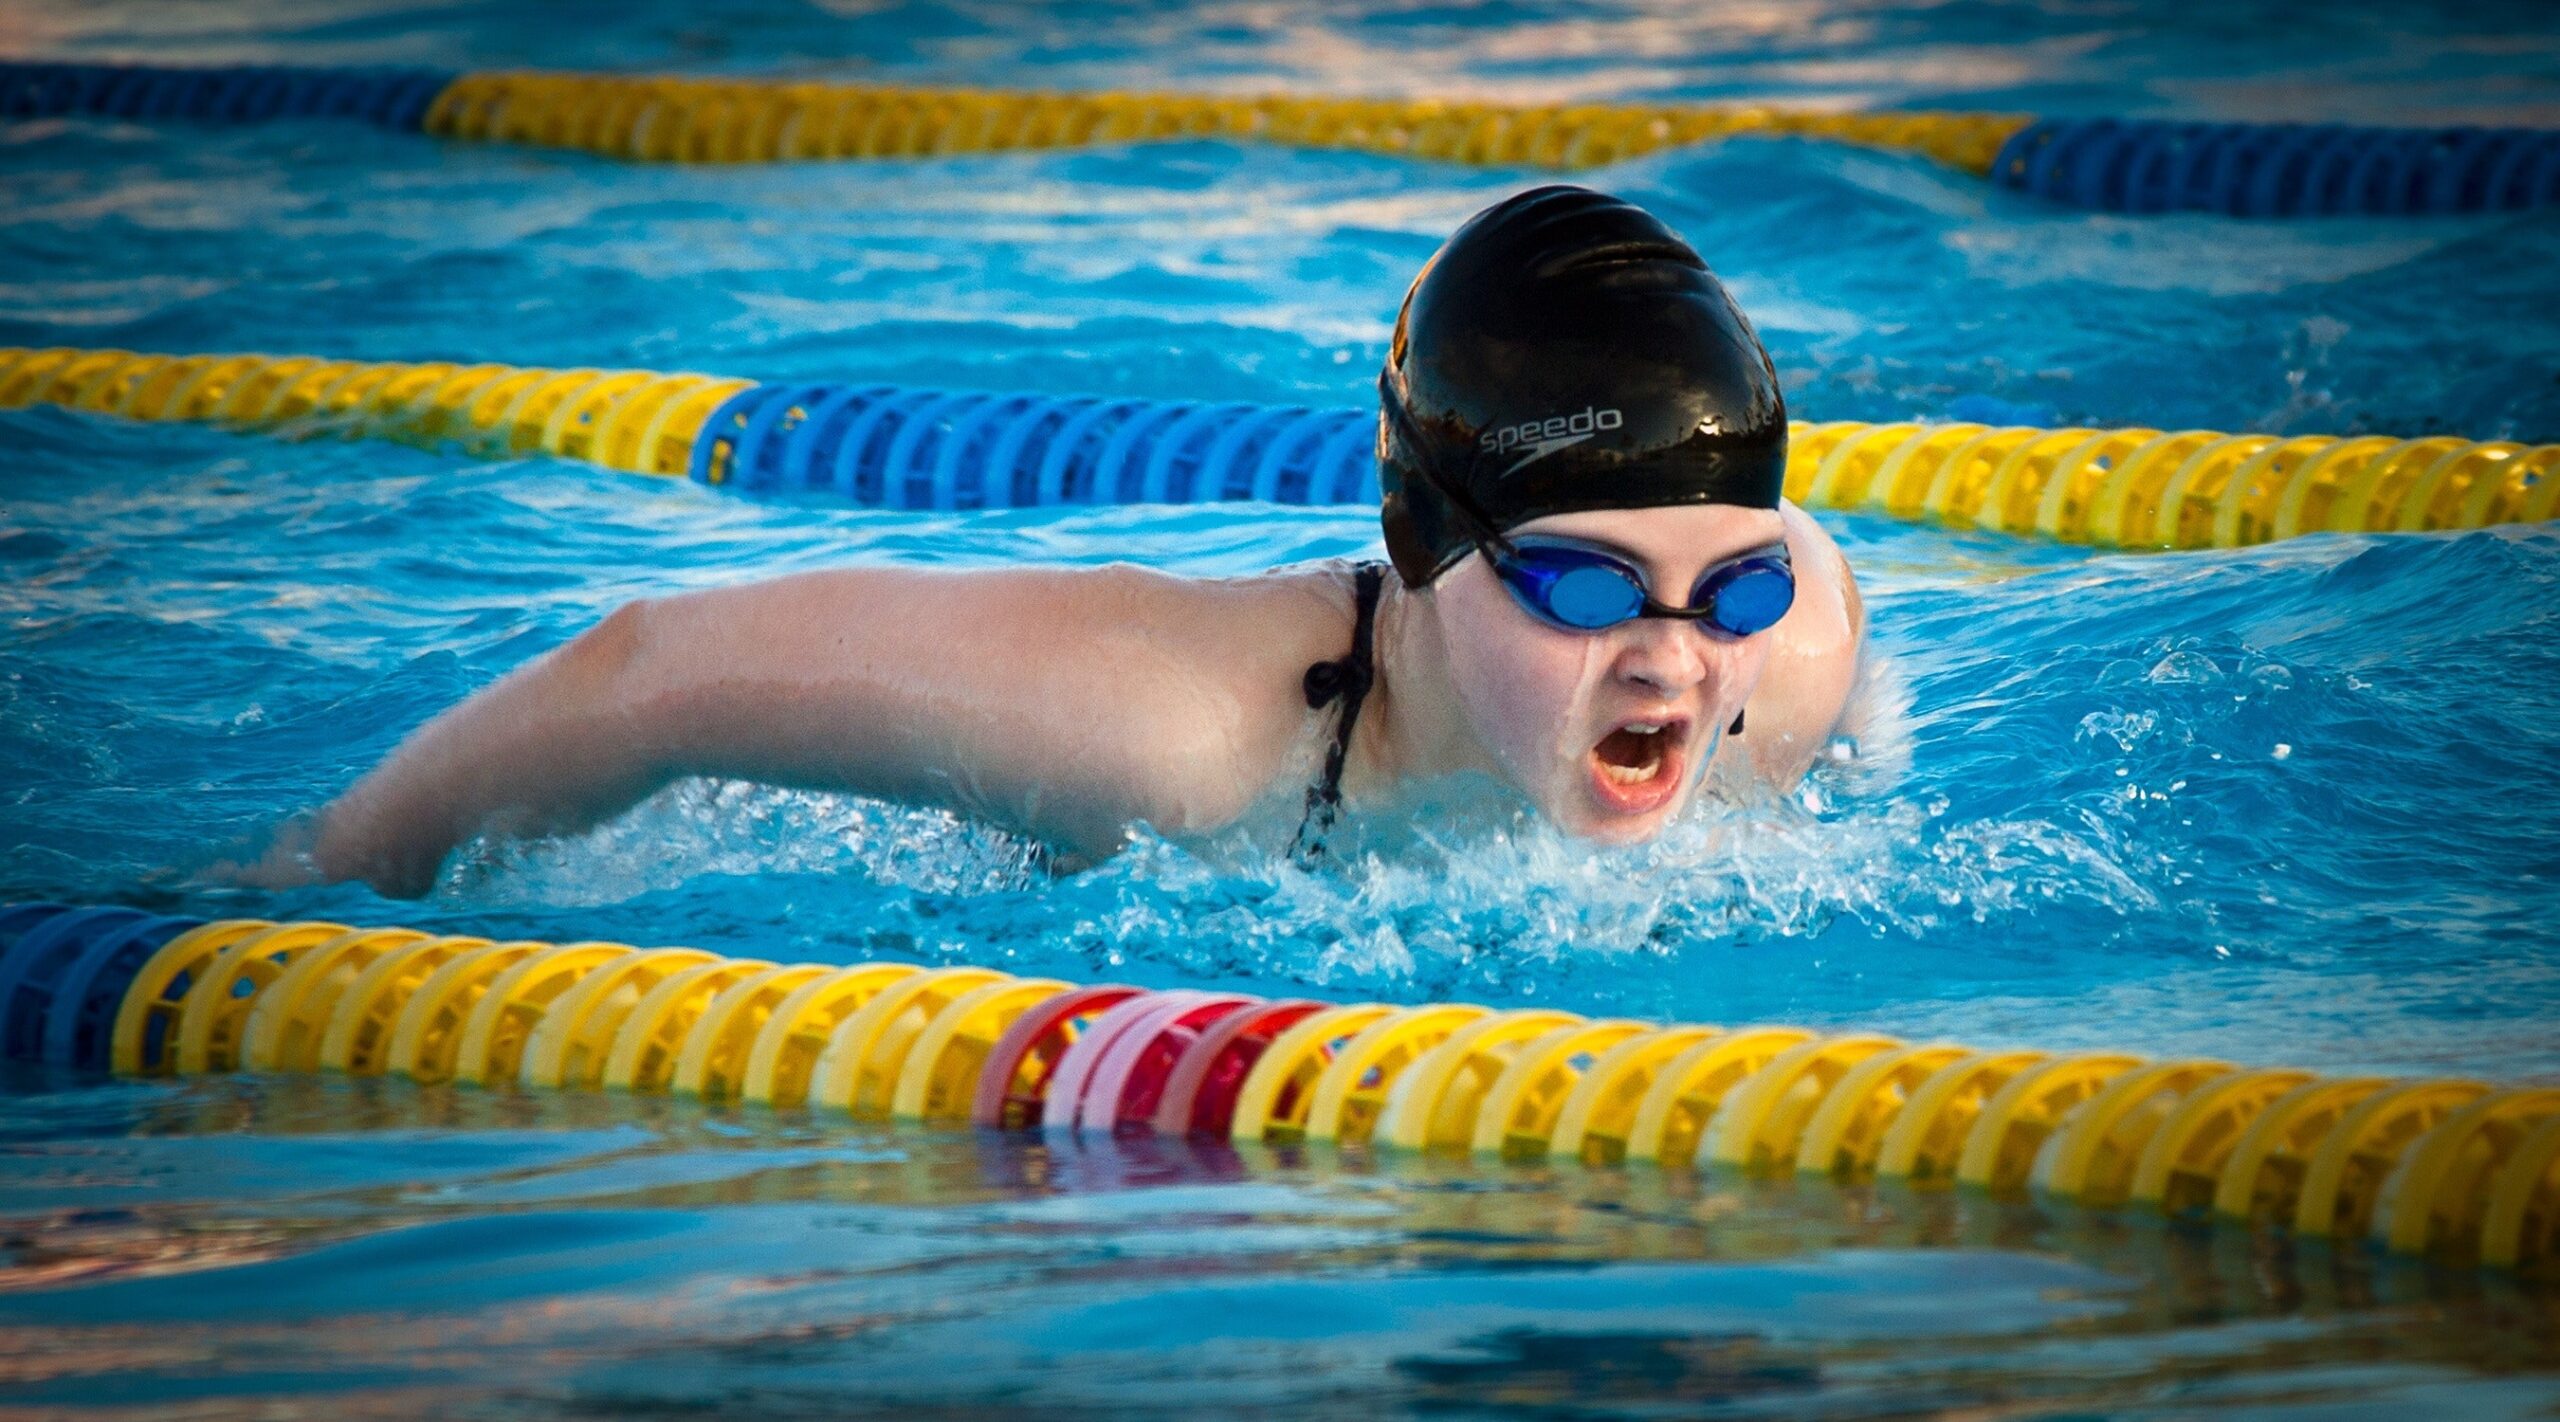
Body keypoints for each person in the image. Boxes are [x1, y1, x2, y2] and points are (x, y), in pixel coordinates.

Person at [281, 185, 1863, 898]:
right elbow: (655, 669)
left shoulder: (1782, 669)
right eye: (1587, 581)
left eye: (1734, 578)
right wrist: (311, 888)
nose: (1675, 652)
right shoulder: (1181, 744)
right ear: (1429, 540)